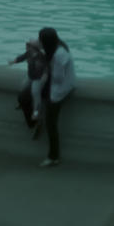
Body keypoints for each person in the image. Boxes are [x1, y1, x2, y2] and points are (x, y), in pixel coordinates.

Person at [37, 27, 76, 167]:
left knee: (51, 124)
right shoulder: (59, 47)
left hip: (60, 90)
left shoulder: (58, 56)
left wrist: (47, 68)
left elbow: (59, 79)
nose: (38, 41)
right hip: (63, 86)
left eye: (40, 39)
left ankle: (53, 156)